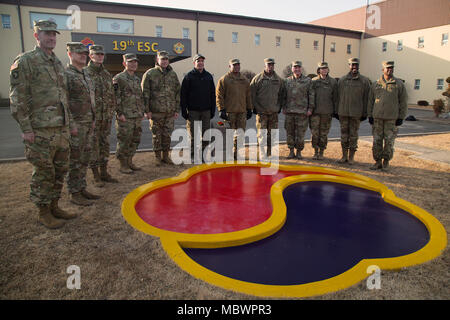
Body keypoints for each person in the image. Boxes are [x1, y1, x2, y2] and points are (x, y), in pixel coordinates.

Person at [10, 20, 77, 228]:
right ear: (36, 35)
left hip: (61, 129)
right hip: (40, 131)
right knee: (43, 172)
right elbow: (17, 98)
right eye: (47, 34)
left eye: (54, 34)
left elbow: (63, 96)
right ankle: (43, 211)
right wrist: (26, 129)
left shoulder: (56, 63)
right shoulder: (26, 61)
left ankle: (55, 206)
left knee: (60, 170)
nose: (52, 38)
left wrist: (70, 123)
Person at [65, 42, 100, 206]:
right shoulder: (66, 75)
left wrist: (93, 120)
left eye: (84, 54)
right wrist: (70, 124)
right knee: (75, 159)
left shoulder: (85, 74)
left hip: (88, 123)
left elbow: (90, 101)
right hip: (75, 125)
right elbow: (63, 103)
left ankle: (82, 188)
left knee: (85, 158)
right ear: (70, 54)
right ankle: (74, 192)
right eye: (79, 53)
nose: (83, 56)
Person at [85, 44, 118, 185]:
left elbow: (111, 95)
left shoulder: (106, 74)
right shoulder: (85, 73)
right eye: (96, 54)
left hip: (106, 117)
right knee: (93, 146)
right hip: (93, 118)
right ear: (90, 56)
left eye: (101, 54)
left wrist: (112, 111)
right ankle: (96, 175)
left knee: (104, 145)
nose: (99, 57)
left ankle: (104, 172)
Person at [141, 50, 180, 166]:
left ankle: (165, 156)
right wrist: (146, 110)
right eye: (162, 59)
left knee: (167, 135)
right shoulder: (150, 73)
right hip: (156, 112)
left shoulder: (172, 74)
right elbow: (145, 93)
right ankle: (158, 157)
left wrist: (176, 109)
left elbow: (177, 92)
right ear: (157, 60)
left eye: (166, 59)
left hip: (169, 112)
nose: (164, 61)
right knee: (156, 135)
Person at [368, 61, 408, 170]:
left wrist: (401, 117)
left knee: (389, 142)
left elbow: (403, 102)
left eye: (391, 68)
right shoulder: (376, 84)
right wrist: (370, 115)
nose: (389, 70)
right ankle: (377, 161)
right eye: (387, 68)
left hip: (391, 119)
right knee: (377, 141)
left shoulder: (398, 84)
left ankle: (386, 161)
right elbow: (370, 101)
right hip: (377, 118)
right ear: (383, 69)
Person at [113, 53, 145, 173]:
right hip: (125, 116)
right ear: (124, 63)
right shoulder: (119, 78)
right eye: (130, 62)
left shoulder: (136, 79)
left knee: (135, 139)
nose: (133, 64)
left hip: (136, 115)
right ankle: (123, 164)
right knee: (124, 140)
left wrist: (141, 111)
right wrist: (119, 113)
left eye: (135, 62)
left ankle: (130, 161)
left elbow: (140, 97)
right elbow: (116, 97)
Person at [180, 53, 216, 162]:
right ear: (194, 63)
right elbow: (183, 95)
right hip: (193, 111)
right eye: (198, 61)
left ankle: (204, 154)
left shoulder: (208, 76)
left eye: (202, 61)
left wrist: (212, 110)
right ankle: (193, 155)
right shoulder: (188, 77)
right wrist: (184, 110)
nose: (200, 63)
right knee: (194, 135)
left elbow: (212, 94)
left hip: (206, 111)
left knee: (206, 134)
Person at [336, 57, 371, 165]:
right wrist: (337, 111)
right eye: (352, 65)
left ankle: (351, 157)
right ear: (349, 66)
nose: (354, 67)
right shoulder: (342, 80)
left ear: (358, 66)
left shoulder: (364, 81)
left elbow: (367, 98)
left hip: (356, 114)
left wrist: (365, 113)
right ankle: (344, 156)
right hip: (343, 113)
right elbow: (337, 97)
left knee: (353, 136)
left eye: (356, 65)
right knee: (344, 136)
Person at [216, 58, 252, 160]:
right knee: (229, 134)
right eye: (234, 65)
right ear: (229, 66)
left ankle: (238, 154)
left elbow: (248, 95)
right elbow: (219, 96)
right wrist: (221, 109)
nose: (236, 67)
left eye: (238, 65)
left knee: (240, 135)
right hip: (229, 112)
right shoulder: (224, 79)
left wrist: (249, 109)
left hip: (241, 112)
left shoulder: (244, 80)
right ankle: (228, 154)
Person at [250, 58, 285, 157]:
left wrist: (279, 106)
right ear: (265, 65)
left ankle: (270, 153)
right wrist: (255, 107)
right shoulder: (257, 79)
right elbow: (252, 94)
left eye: (272, 65)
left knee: (273, 135)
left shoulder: (278, 80)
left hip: (273, 112)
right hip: (262, 112)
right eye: (268, 65)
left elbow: (282, 94)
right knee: (262, 135)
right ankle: (262, 153)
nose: (270, 67)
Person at [282, 61, 314, 160]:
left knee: (300, 134)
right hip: (290, 112)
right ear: (292, 69)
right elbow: (283, 95)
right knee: (290, 133)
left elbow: (311, 95)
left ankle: (299, 152)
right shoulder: (287, 81)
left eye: (298, 67)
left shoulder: (308, 81)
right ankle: (291, 151)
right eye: (295, 67)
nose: (297, 69)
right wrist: (284, 107)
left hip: (302, 112)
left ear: (301, 68)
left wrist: (310, 108)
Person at [310, 62, 338, 160]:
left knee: (324, 133)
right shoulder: (313, 81)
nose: (324, 70)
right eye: (322, 68)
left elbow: (335, 98)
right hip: (315, 113)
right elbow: (310, 96)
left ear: (328, 69)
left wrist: (335, 111)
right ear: (319, 70)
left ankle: (321, 152)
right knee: (314, 133)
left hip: (327, 112)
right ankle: (315, 151)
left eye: (325, 68)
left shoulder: (333, 82)